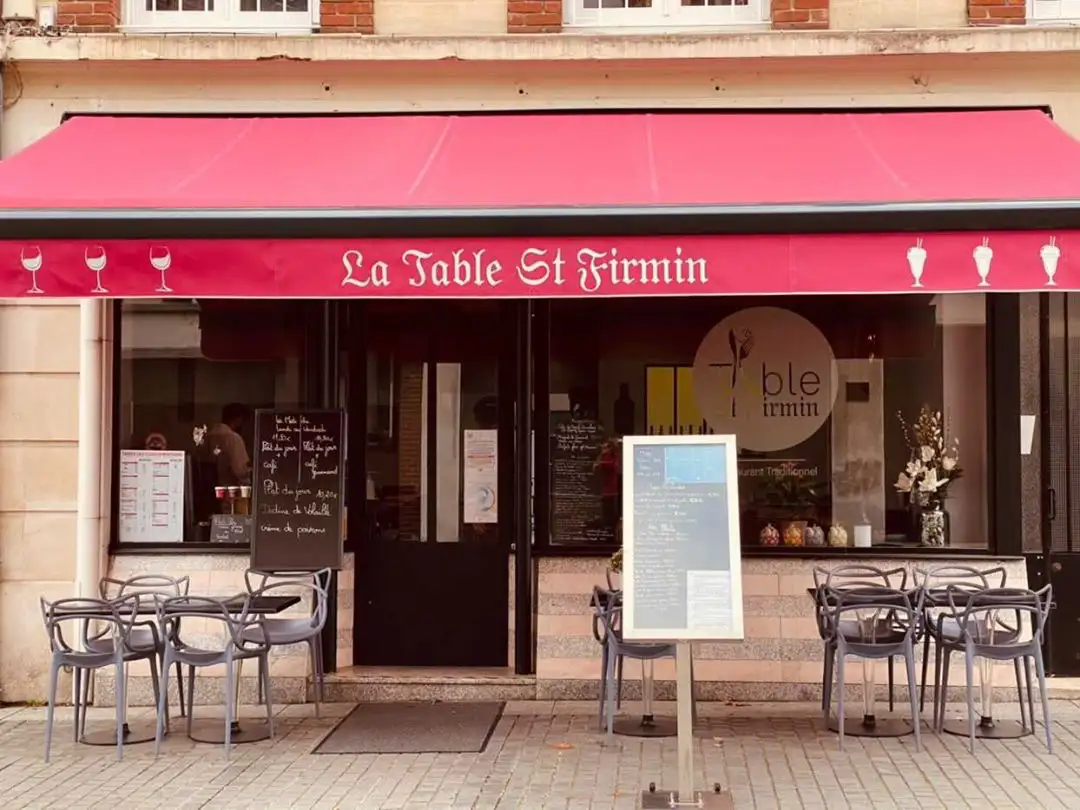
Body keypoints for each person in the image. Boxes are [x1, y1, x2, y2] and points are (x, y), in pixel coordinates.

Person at [206, 403, 251, 486]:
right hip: (229, 488)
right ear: (239, 419)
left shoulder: (208, 436)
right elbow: (240, 471)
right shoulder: (234, 438)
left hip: (208, 487)